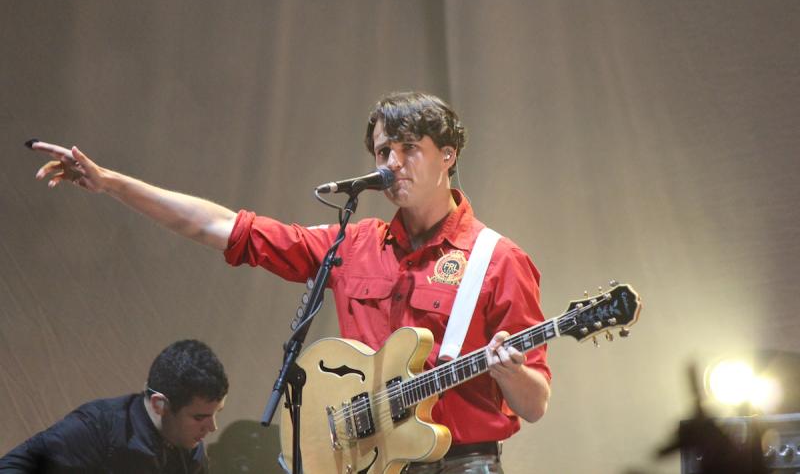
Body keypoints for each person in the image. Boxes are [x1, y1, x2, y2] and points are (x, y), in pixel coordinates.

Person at [28, 92, 551, 473]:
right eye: (382, 152)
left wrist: (509, 373)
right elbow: (222, 227)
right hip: (363, 464)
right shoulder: (355, 241)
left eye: (409, 148)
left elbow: (534, 404)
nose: (392, 164)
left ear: (448, 155)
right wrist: (112, 183)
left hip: (459, 466)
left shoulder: (497, 260)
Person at [0, 340, 228, 474]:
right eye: (199, 417)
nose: (212, 427)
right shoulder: (97, 427)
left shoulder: (190, 451)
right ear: (160, 404)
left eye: (215, 414)